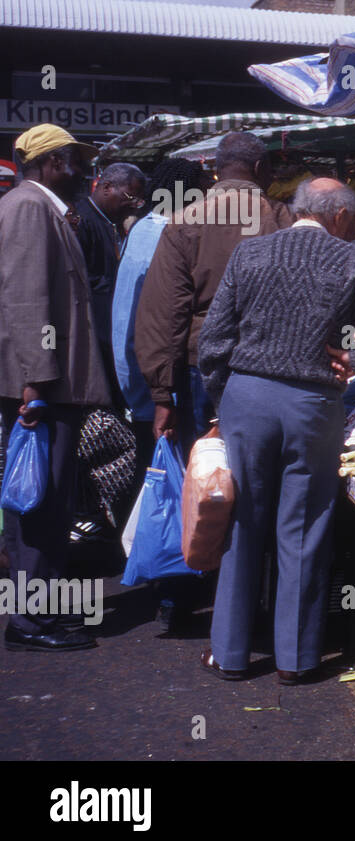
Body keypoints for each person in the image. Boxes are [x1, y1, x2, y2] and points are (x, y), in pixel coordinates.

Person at [196, 177, 355, 683]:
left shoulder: (249, 254)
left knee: (244, 522)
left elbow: (213, 341)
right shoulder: (350, 260)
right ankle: (295, 659)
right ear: (338, 216)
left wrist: (223, 400)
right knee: (302, 526)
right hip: (312, 405)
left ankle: (230, 652)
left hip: (246, 398)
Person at [0, 124, 107, 652]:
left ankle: (36, 614)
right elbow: (24, 299)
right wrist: (35, 382)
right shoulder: (28, 207)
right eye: (74, 160)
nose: (84, 169)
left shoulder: (41, 207)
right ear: (51, 163)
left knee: (45, 502)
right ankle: (30, 622)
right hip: (42, 387)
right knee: (41, 504)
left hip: (48, 385)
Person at [134, 132, 292, 453]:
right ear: (260, 167)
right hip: (272, 368)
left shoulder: (183, 222)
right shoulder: (283, 220)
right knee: (262, 471)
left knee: (208, 472)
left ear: (218, 171)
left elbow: (164, 314)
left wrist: (162, 394)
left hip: (203, 369)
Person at [112, 157, 211, 631]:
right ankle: (176, 586)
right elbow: (140, 321)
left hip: (155, 387)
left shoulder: (148, 232)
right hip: (169, 387)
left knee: (170, 486)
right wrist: (152, 395)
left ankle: (171, 585)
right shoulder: (162, 233)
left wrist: (138, 391)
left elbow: (123, 321)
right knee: (180, 486)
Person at [74, 162, 146, 401]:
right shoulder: (82, 220)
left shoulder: (110, 222)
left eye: (137, 199)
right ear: (106, 187)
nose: (133, 204)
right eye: (129, 196)